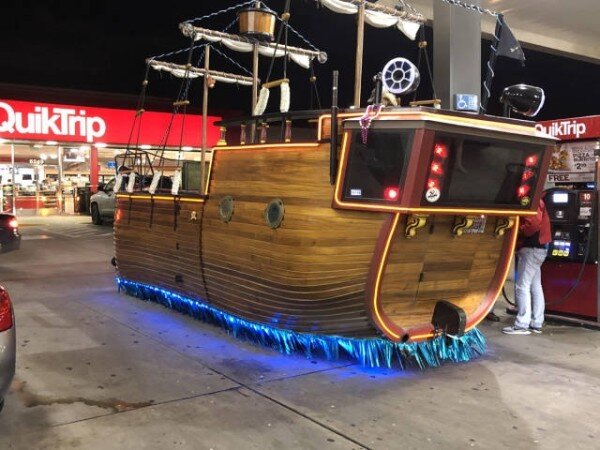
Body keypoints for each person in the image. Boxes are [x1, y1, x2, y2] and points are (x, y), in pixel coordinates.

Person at [503, 197, 551, 335]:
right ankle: (536, 322)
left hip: (531, 248)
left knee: (522, 286)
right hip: (539, 248)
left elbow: (533, 225)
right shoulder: (537, 200)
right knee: (535, 286)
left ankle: (521, 324)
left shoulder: (532, 200)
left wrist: (518, 230)